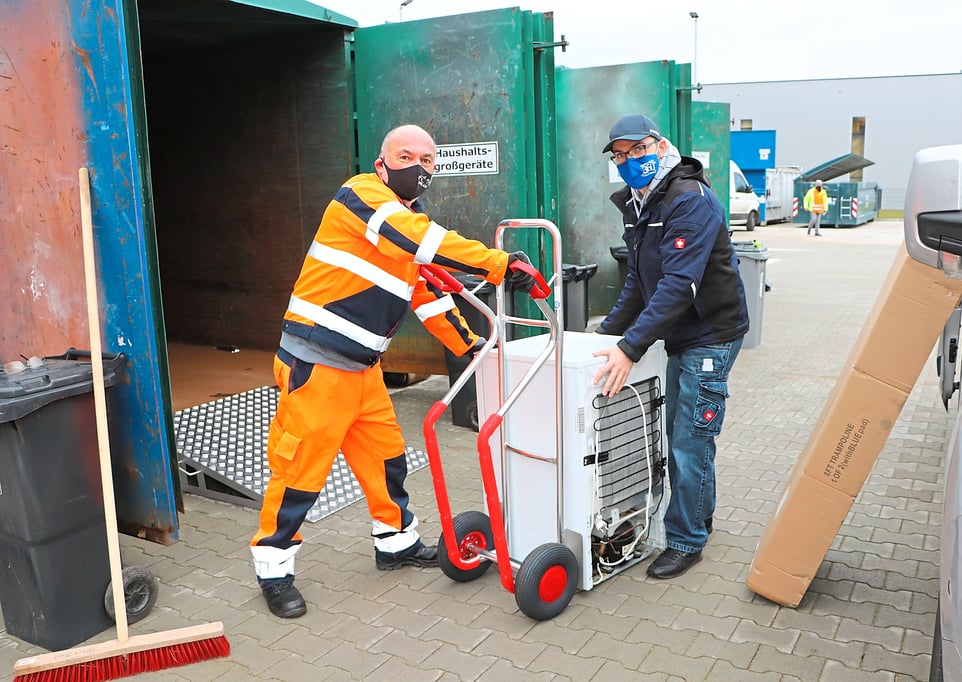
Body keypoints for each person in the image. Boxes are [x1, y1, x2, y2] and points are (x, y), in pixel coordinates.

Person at [250, 124, 539, 618]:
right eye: (407, 156)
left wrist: (473, 347)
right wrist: (496, 264)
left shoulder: (409, 229)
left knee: (387, 460)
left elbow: (430, 300)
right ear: (383, 162)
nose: (418, 167)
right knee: (300, 471)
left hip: (364, 371)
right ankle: (273, 570)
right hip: (316, 365)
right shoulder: (362, 196)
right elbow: (420, 241)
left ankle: (396, 544)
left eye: (427, 161)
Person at [592, 114, 749, 580]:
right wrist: (605, 336)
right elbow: (639, 283)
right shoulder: (640, 203)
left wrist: (631, 348)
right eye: (620, 155)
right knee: (686, 436)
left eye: (637, 150)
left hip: (711, 334)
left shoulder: (688, 200)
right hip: (682, 334)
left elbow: (680, 284)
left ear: (660, 147)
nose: (629, 161)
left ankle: (686, 540)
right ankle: (699, 515)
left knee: (688, 440)